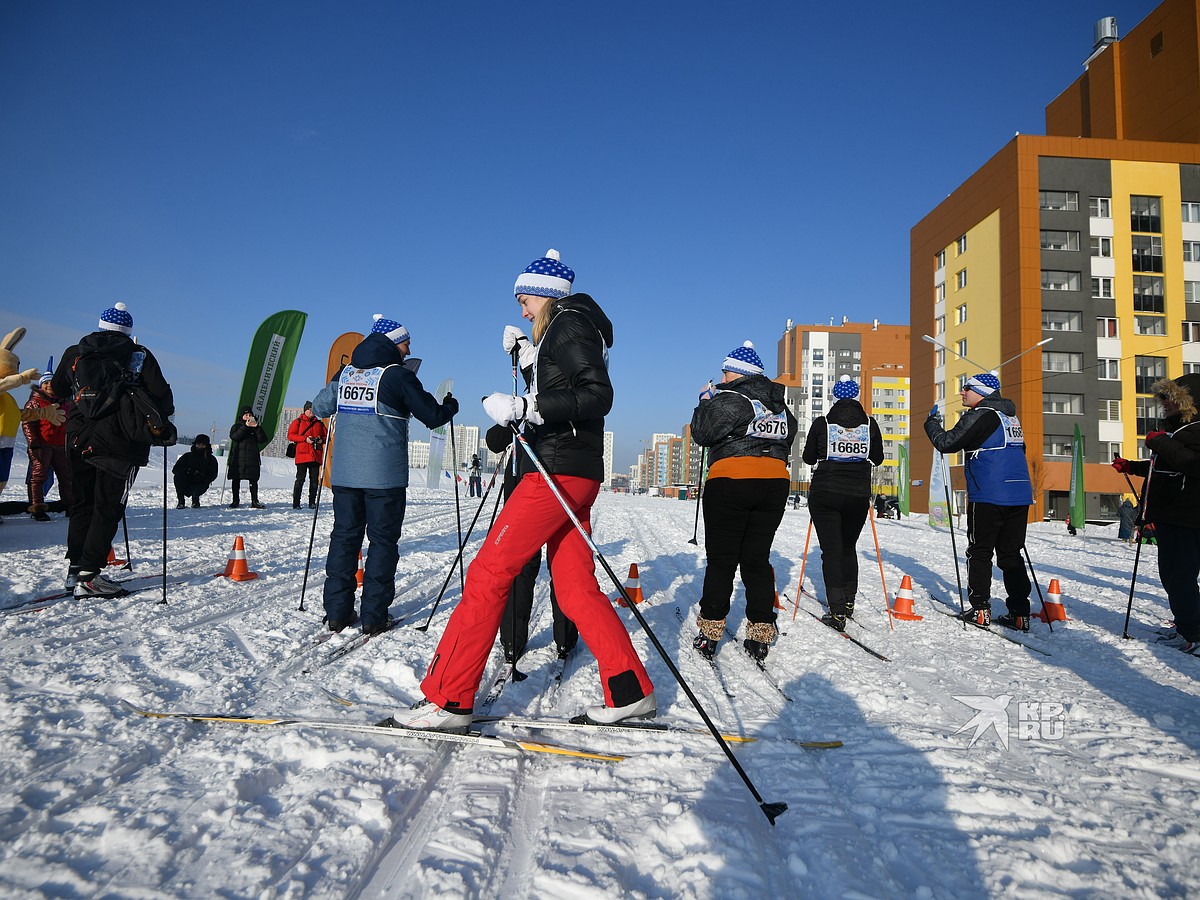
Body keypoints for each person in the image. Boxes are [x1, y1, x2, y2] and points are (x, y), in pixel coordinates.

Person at [391, 249, 654, 731]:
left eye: (524, 297)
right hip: (572, 470)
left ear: (547, 293)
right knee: (575, 588)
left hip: (554, 475)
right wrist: (520, 409)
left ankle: (451, 698)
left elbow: (598, 395)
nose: (520, 307)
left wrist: (527, 406)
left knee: (491, 571)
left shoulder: (569, 324)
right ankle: (629, 688)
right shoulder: (568, 327)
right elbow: (565, 395)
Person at [312, 314, 457, 636]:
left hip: (346, 475)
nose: (408, 350)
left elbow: (321, 408)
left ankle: (336, 613)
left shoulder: (346, 372)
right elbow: (432, 416)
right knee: (382, 543)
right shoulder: (396, 376)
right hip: (384, 477)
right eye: (405, 343)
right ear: (392, 343)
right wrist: (450, 407)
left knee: (344, 539)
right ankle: (374, 616)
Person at [50, 303, 174, 596]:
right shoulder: (138, 354)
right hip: (120, 442)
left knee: (82, 506)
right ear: (128, 331)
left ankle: (75, 571)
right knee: (107, 509)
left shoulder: (75, 352)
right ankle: (90, 577)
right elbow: (162, 397)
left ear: (100, 325)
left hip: (78, 437)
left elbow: (56, 391)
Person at [689, 340, 798, 660]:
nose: (721, 380)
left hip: (732, 481)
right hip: (774, 485)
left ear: (736, 374)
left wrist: (704, 402)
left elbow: (701, 433)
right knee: (756, 559)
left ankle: (710, 634)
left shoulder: (731, 399)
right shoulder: (781, 407)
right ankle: (760, 634)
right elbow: (788, 436)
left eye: (724, 374)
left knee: (722, 560)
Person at [483, 333, 578, 665]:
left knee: (561, 565)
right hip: (521, 486)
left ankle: (564, 639)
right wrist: (510, 417)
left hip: (551, 484)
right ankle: (512, 640)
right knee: (522, 566)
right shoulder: (525, 402)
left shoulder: (556, 400)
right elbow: (495, 439)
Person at [924, 371, 1033, 631]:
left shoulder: (981, 414)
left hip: (988, 494)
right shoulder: (1010, 417)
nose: (962, 392)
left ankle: (981, 609)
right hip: (1018, 493)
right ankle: (1020, 613)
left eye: (967, 388)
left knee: (980, 551)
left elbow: (947, 442)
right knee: (1011, 554)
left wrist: (931, 423)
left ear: (982, 392)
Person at [1111, 373, 1200, 655]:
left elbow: (1190, 463)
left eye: (1171, 399)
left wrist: (1160, 442)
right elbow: (1162, 468)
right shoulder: (1176, 432)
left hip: (1188, 516)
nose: (1165, 404)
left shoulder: (1195, 430)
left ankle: (1193, 633)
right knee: (1171, 575)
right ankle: (1186, 624)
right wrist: (1131, 466)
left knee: (1180, 576)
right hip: (1169, 515)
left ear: (1189, 402)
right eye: (1163, 399)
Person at [802, 375, 884, 632]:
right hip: (858, 493)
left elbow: (807, 458)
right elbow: (878, 458)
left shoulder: (823, 423)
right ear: (857, 397)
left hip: (826, 492)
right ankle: (849, 600)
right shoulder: (870, 424)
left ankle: (837, 610)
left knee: (832, 551)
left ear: (835, 396)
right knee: (848, 547)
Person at [22, 371, 73, 521]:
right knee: (39, 476)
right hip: (42, 445)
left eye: (52, 383)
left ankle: (70, 505)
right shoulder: (35, 402)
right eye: (45, 383)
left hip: (61, 445)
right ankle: (36, 507)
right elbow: (27, 424)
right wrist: (33, 443)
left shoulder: (64, 402)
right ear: (41, 385)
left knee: (66, 477)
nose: (49, 386)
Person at [287, 401, 327, 509]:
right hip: (302, 455)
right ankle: (296, 503)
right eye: (310, 409)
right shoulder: (298, 422)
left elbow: (327, 437)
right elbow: (290, 435)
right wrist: (305, 439)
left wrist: (320, 440)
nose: (312, 411)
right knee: (300, 479)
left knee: (314, 480)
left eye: (313, 409)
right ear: (305, 410)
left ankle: (312, 502)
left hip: (315, 455)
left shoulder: (319, 423)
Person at [227, 406, 267, 508]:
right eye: (246, 415)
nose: (248, 417)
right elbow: (235, 437)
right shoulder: (236, 426)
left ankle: (255, 501)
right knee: (236, 478)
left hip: (252, 457)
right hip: (238, 457)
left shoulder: (256, 427)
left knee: (253, 479)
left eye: (250, 415)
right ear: (242, 416)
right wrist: (245, 427)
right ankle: (235, 500)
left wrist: (256, 428)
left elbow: (262, 439)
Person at [172, 434, 219, 507]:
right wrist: (187, 471)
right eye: (198, 444)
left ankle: (195, 500)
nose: (200, 446)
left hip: (200, 483)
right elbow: (175, 469)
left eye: (203, 445)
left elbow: (213, 474)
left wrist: (203, 478)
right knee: (178, 477)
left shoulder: (211, 459)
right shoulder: (187, 456)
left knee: (197, 486)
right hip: (185, 480)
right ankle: (181, 501)